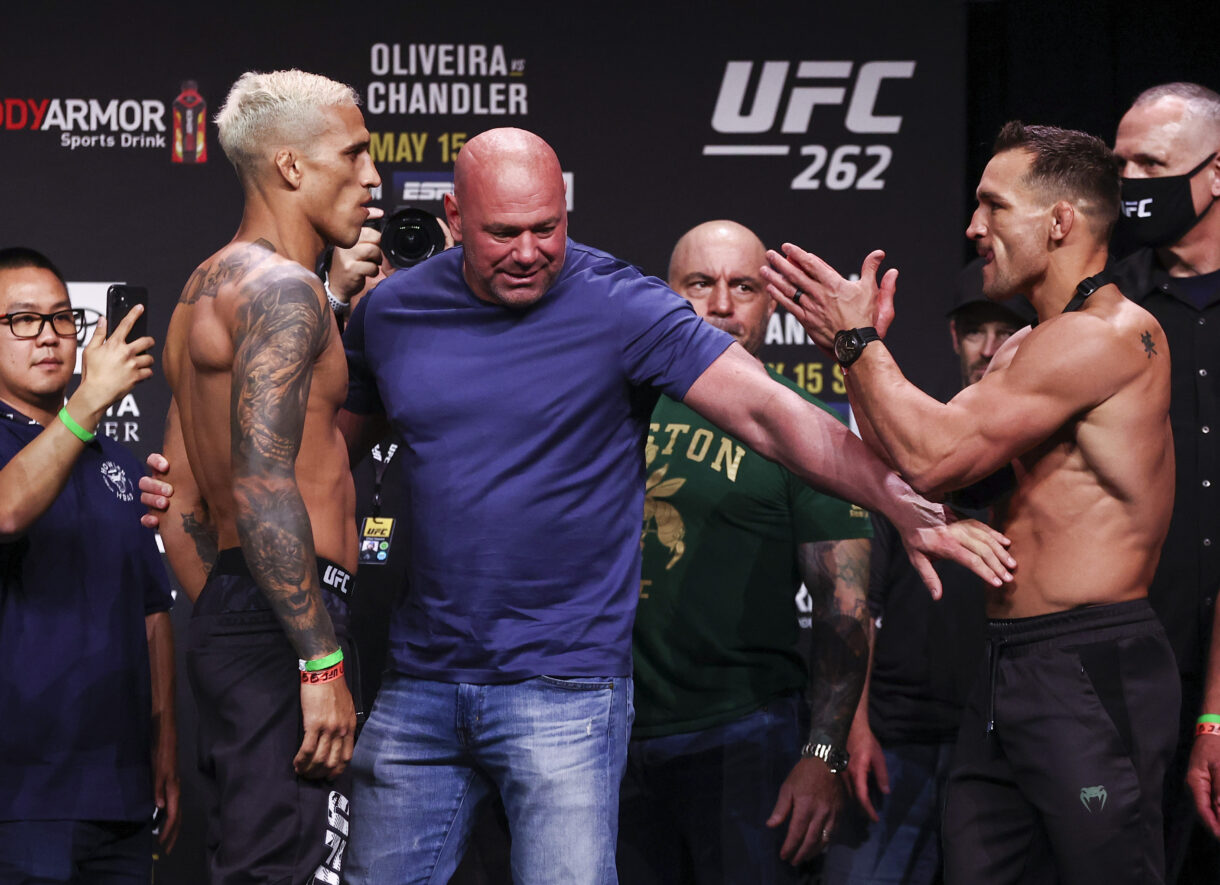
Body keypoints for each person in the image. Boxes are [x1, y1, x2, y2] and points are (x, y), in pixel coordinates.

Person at [338, 126, 1014, 884]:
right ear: (454, 217)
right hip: (421, 684)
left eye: (547, 228)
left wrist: (901, 499)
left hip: (565, 689)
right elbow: (328, 458)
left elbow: (771, 413)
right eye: (502, 233)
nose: (529, 252)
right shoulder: (391, 314)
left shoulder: (620, 304)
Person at [763, 121, 1178, 884]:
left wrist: (860, 346)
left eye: (993, 206)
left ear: (1059, 222)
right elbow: (935, 474)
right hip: (1007, 667)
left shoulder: (1110, 335)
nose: (973, 227)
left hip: (1085, 665)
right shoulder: (1026, 348)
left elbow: (935, 450)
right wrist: (857, 360)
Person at [155, 69, 378, 885]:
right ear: (290, 166)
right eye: (352, 155)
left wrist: (228, 604)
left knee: (259, 863)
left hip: (248, 612)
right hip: (292, 624)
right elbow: (258, 480)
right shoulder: (286, 293)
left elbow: (180, 494)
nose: (373, 176)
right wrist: (317, 659)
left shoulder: (204, 288)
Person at [616, 220, 874, 882]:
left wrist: (823, 752)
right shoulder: (606, 415)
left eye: (744, 286)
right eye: (699, 283)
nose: (722, 304)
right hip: (603, 738)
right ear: (666, 295)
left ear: (770, 304)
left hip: (745, 739)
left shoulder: (808, 429)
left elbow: (845, 605)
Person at [822, 263, 1034, 885]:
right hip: (896, 738)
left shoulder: (1055, 456)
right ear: (952, 337)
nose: (989, 347)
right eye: (975, 331)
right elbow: (858, 600)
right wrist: (853, 729)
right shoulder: (913, 447)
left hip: (1000, 743)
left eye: (1005, 330)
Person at [0, 247, 178, 882]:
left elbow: (153, 610)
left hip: (120, 794)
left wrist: (164, 747)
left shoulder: (123, 468)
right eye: (21, 320)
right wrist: (88, 403)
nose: (47, 335)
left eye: (60, 318)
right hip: (19, 797)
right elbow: (7, 511)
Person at [1110, 82, 1220, 882]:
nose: (1132, 185)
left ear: (1216, 174)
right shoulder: (1105, 310)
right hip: (1129, 659)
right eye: (1121, 165)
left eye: (1152, 163)